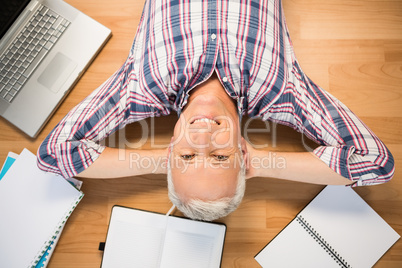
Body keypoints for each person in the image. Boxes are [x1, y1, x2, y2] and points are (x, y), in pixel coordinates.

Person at [37, 0, 394, 221]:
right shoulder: (284, 92)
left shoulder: (141, 87)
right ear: (243, 151)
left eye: (189, 155)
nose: (203, 135)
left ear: (170, 149)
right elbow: (376, 163)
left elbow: (54, 155)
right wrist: (263, 163)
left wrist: (166, 160)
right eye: (221, 157)